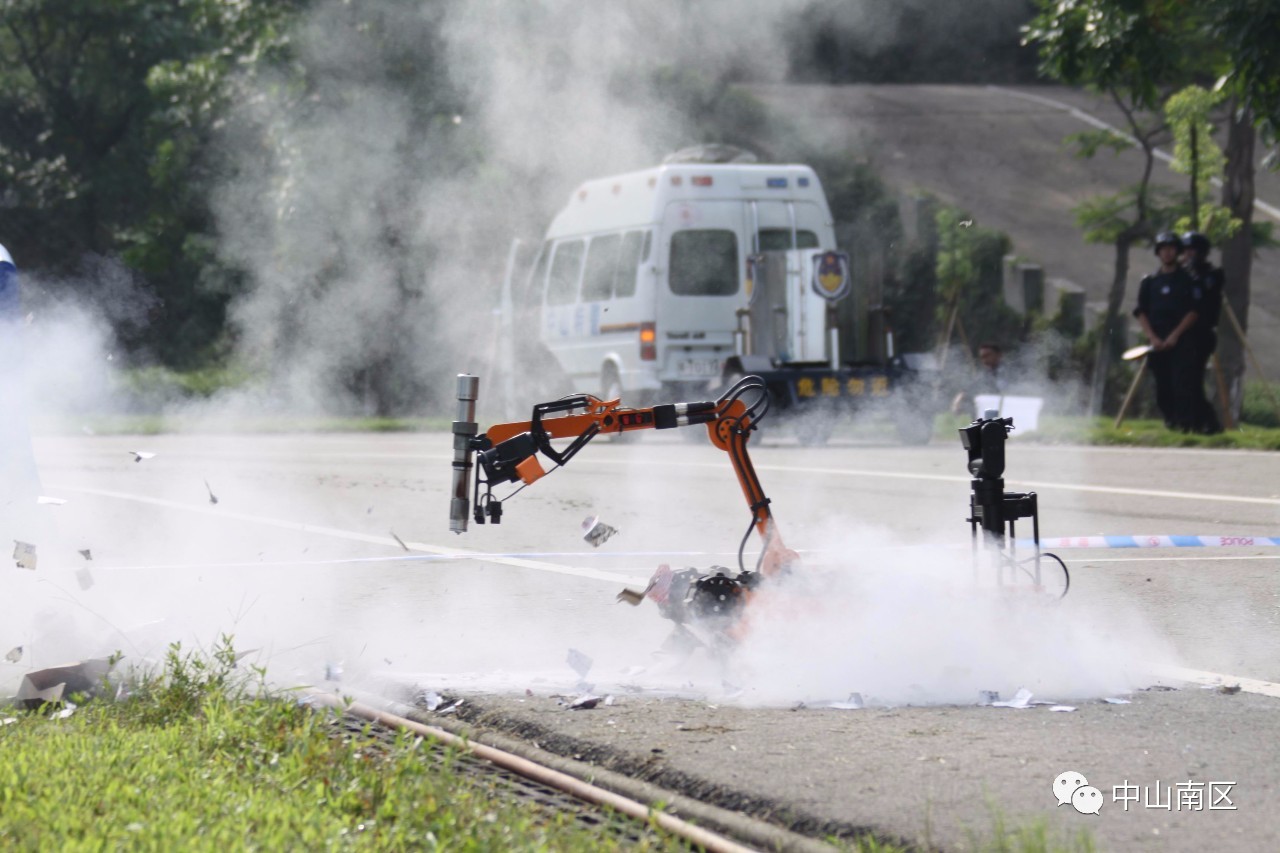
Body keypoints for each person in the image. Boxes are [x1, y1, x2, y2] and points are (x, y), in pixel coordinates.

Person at [1132, 232, 1207, 431]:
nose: (1167, 253)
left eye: (1171, 249)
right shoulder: (1149, 282)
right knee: (1162, 386)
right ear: (1158, 253)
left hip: (1181, 339)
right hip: (1157, 340)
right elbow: (1141, 311)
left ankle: (1185, 424)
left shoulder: (1188, 280)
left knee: (1182, 383)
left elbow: (1194, 311)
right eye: (1163, 249)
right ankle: (1170, 421)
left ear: (1178, 252)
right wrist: (1153, 338)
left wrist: (1175, 336)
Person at [1181, 230, 1224, 434]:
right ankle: (1193, 421)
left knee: (1193, 379)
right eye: (1186, 250)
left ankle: (1208, 421)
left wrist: (1192, 272)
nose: (1188, 254)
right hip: (1182, 334)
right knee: (1183, 380)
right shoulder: (1182, 273)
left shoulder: (1213, 274)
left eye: (1192, 250)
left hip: (1202, 333)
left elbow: (1205, 292)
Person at [951, 342, 1008, 415]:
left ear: (998, 355)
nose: (985, 360)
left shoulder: (1008, 371)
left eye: (987, 355)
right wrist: (958, 401)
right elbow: (970, 388)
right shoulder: (986, 373)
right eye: (982, 357)